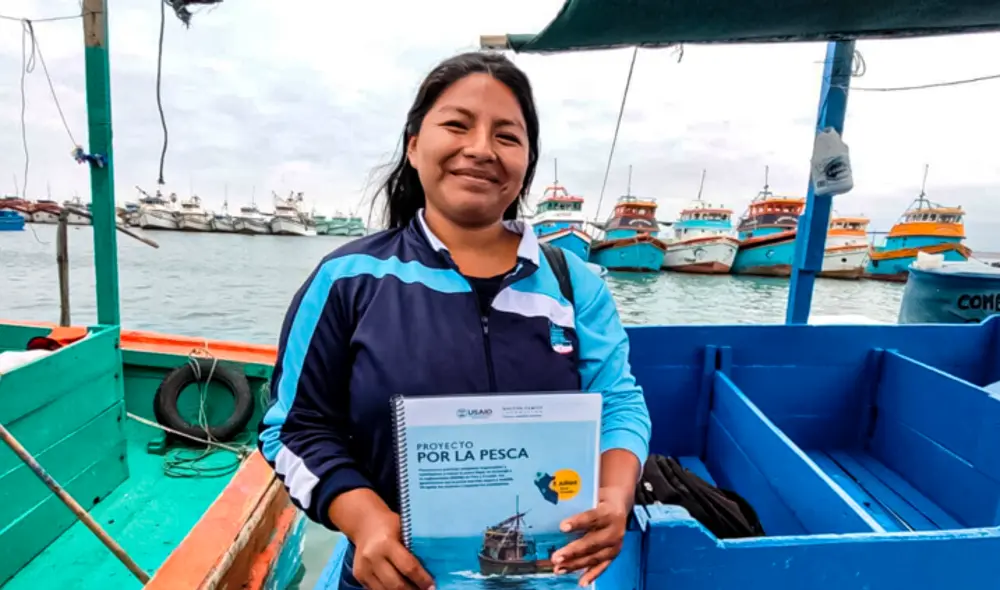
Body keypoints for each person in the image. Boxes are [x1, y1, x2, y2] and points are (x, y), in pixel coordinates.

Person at [258, 51, 652, 590]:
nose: (481, 149)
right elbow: (294, 427)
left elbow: (619, 400)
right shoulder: (347, 280)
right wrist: (365, 520)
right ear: (414, 145)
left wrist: (615, 492)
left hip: (546, 576)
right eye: (457, 125)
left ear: (527, 162)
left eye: (507, 137)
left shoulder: (574, 283)